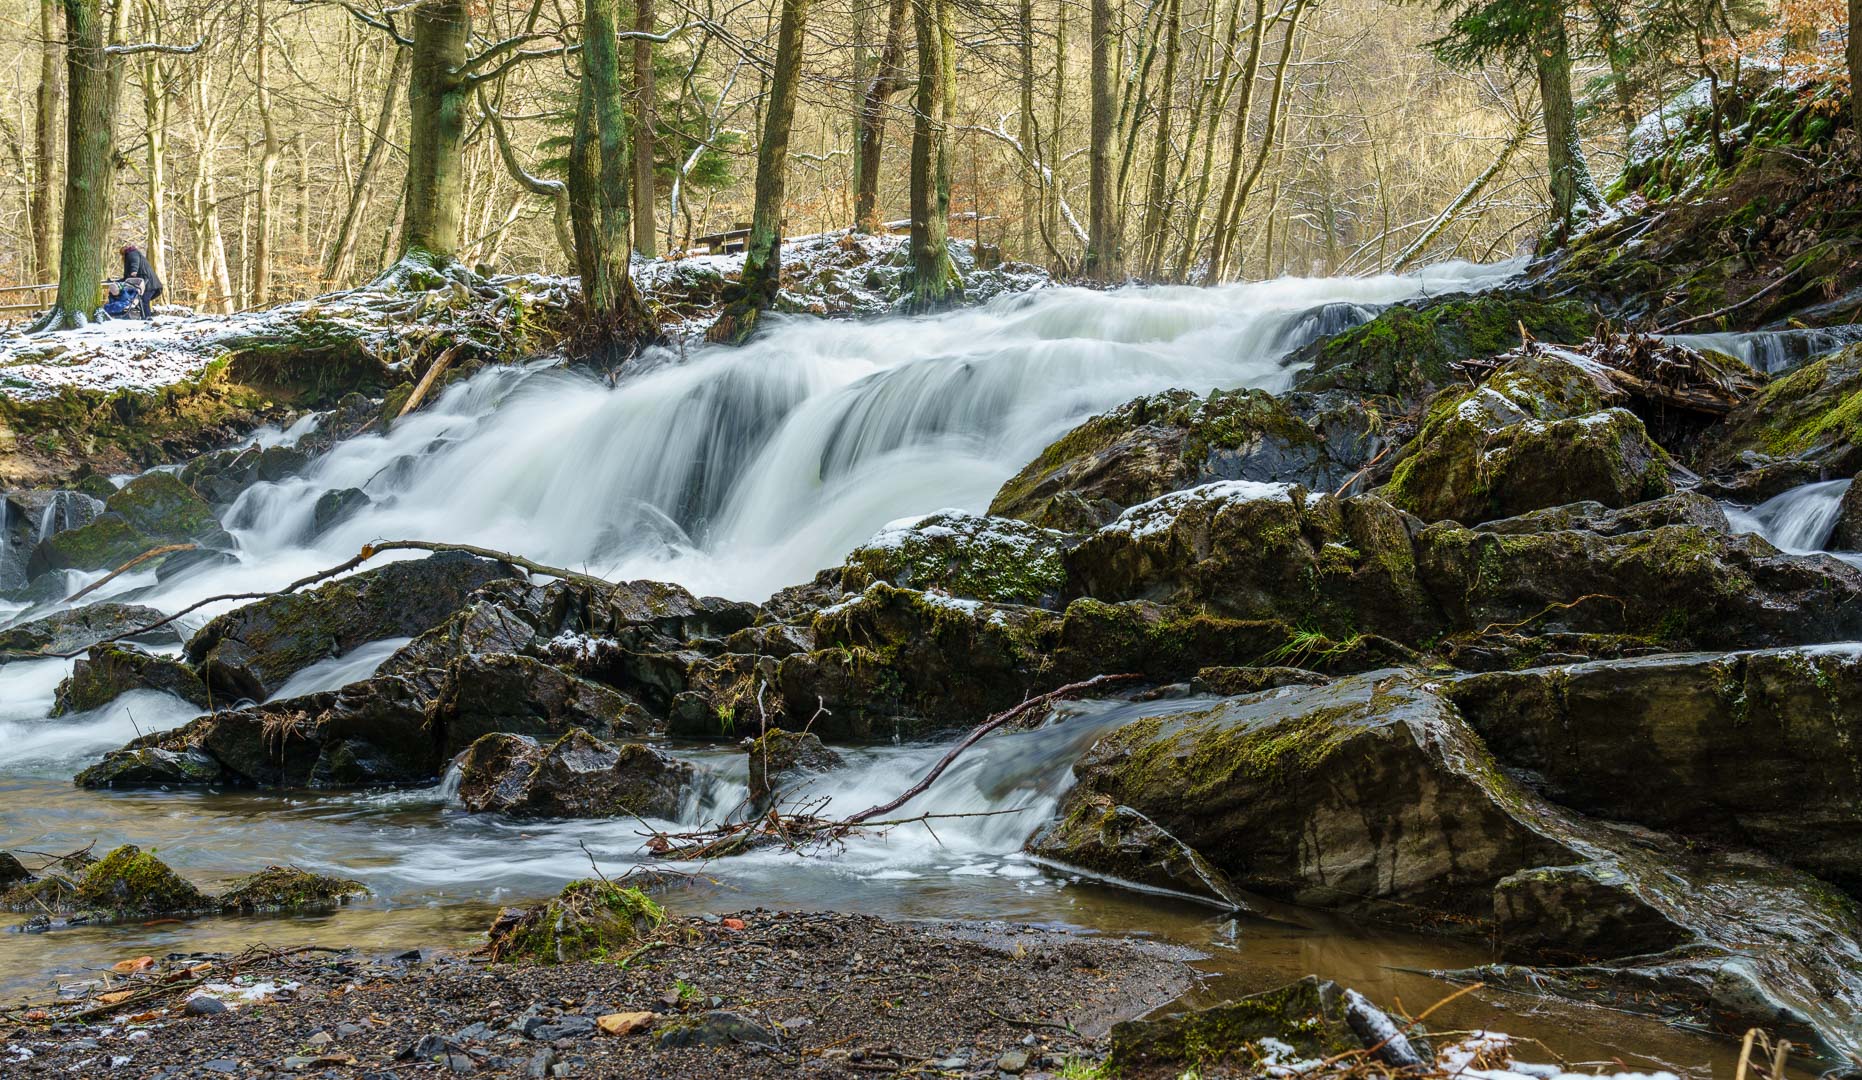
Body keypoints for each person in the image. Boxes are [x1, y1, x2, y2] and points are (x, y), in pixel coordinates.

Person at [121, 245, 162, 319]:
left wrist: (134, 270)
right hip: (146, 282)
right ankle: (144, 316)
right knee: (142, 300)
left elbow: (135, 262)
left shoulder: (132, 253)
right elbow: (127, 272)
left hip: (149, 283)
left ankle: (147, 317)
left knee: (144, 300)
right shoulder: (131, 255)